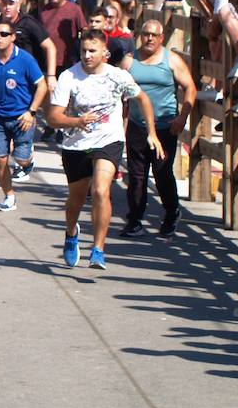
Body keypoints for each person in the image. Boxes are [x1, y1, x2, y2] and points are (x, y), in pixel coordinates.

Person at [47, 29, 163, 270]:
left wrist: (152, 133)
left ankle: (98, 249)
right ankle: (71, 233)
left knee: (101, 190)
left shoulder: (117, 76)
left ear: (105, 53)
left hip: (108, 140)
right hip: (76, 143)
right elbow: (53, 117)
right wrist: (76, 121)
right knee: (76, 200)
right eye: (83, 51)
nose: (87, 56)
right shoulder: (69, 76)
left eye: (92, 51)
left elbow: (143, 99)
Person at [120, 19, 195, 238]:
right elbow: (118, 93)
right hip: (137, 126)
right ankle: (134, 220)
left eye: (154, 35)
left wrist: (182, 117)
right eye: (146, 34)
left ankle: (172, 213)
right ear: (139, 36)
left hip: (165, 127)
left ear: (161, 38)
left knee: (162, 173)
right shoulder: (129, 61)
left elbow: (190, 87)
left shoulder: (171, 60)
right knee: (136, 175)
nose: (149, 38)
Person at [0, 18, 47, 212]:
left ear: (13, 38)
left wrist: (31, 112)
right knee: (0, 159)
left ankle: (29, 159)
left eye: (4, 34)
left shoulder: (25, 59)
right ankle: (9, 196)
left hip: (21, 117)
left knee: (21, 159)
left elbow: (41, 86)